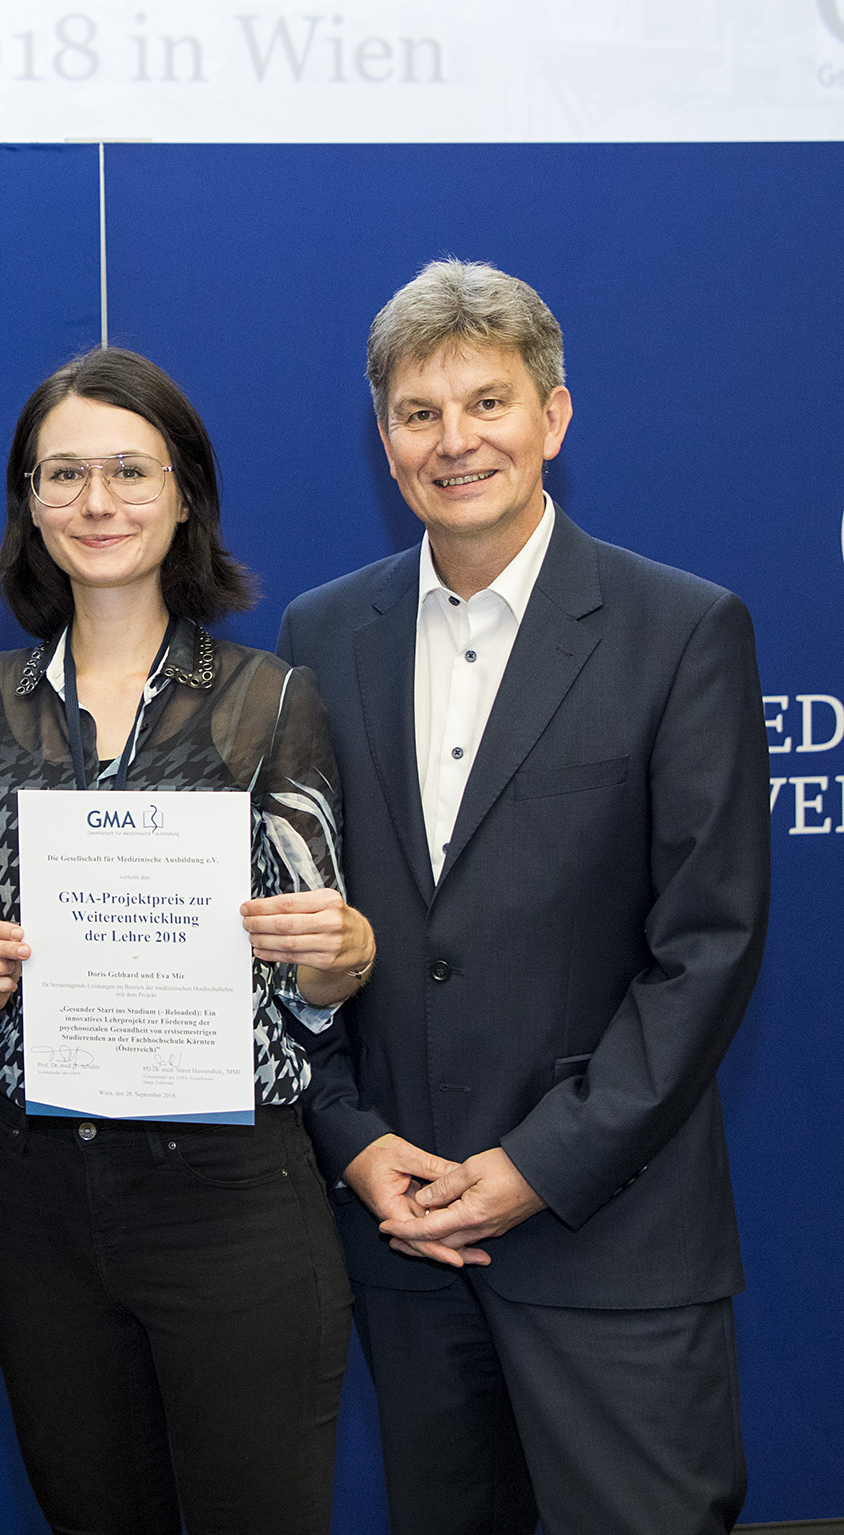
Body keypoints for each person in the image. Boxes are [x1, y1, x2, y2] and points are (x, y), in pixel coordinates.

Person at [275, 259, 770, 1535]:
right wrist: (350, 1137)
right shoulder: (318, 638)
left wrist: (536, 1165)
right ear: (383, 437)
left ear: (552, 416)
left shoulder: (680, 629)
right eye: (417, 412)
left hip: (610, 1238)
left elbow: (706, 947)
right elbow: (291, 923)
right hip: (403, 1241)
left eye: (486, 402)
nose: (454, 440)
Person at [0, 347, 373, 1535]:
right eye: (63, 473)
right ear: (29, 501)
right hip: (41, 1197)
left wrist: (337, 952)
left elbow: (318, 979)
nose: (97, 500)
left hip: (228, 1192)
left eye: (130, 470)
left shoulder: (269, 699)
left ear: (185, 497)